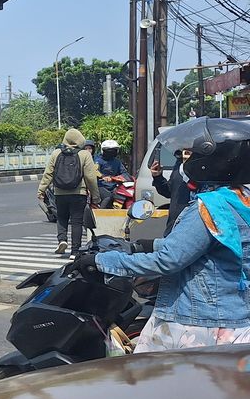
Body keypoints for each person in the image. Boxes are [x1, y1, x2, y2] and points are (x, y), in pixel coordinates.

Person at [71, 118, 250, 353]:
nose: (189, 161)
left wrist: (101, 261)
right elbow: (202, 246)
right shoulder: (239, 199)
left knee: (145, 370)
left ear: (213, 161)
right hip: (233, 313)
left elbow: (168, 260)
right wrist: (146, 245)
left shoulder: (209, 207)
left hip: (199, 321)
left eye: (194, 155)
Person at [37, 128, 101, 255]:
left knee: (61, 218)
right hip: (79, 193)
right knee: (77, 222)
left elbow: (48, 174)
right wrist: (95, 196)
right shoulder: (84, 154)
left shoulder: (56, 153)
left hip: (60, 193)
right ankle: (75, 252)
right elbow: (90, 177)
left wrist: (41, 190)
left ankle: (62, 240)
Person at [151, 148, 196, 235]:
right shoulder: (179, 164)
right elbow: (169, 192)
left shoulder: (205, 166)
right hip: (173, 228)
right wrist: (157, 177)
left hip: (192, 228)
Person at [96, 139, 128, 208]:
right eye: (108, 151)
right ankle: (101, 212)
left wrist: (119, 178)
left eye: (113, 151)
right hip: (101, 185)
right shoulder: (98, 161)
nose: (110, 153)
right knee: (107, 197)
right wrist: (102, 177)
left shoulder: (117, 162)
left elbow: (124, 173)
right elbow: (95, 171)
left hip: (114, 186)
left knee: (122, 195)